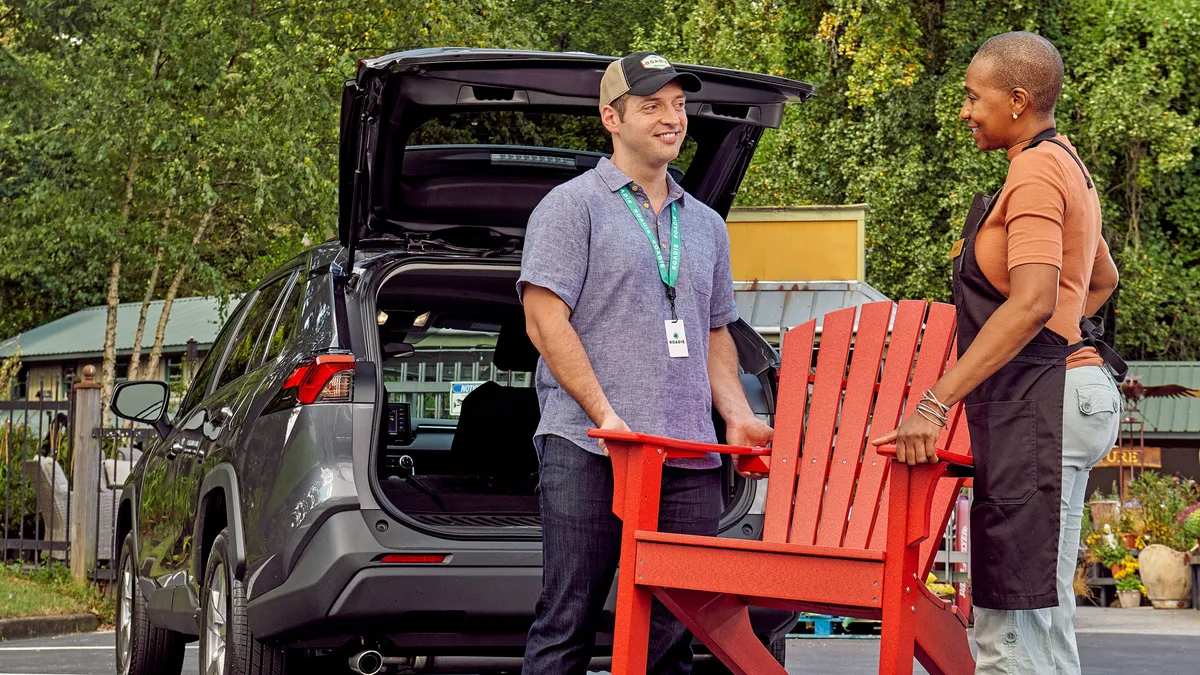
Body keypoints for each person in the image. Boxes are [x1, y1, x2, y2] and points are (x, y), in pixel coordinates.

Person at [871, 32, 1126, 674]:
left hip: (1042, 405)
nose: (965, 110)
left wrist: (934, 402)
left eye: (972, 97)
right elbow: (1099, 282)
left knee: (1007, 631)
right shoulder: (1068, 162)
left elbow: (1034, 300)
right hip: (1070, 394)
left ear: (1017, 99)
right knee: (1042, 618)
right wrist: (1064, 340)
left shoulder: (1036, 171)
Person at [517, 52, 774, 675]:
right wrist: (608, 416)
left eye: (679, 106)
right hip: (591, 447)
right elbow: (544, 322)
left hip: (687, 457)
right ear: (612, 117)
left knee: (675, 631)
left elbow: (715, 332)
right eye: (652, 105)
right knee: (568, 619)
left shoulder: (707, 224)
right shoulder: (569, 206)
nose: (672, 118)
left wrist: (735, 417)